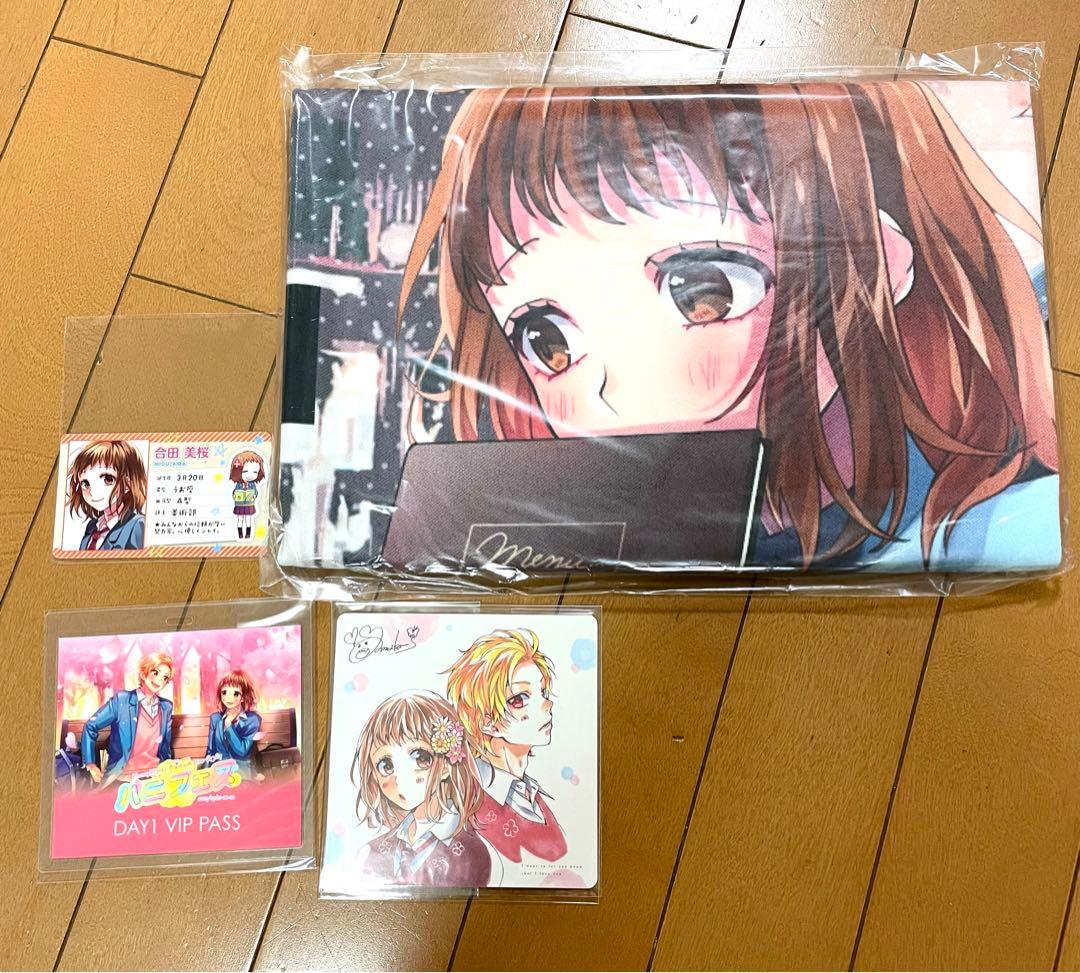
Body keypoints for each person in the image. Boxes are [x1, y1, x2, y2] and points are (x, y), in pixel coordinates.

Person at [397, 81, 1060, 572]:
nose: (608, 392)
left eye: (706, 296)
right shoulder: (590, 538)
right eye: (549, 341)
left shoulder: (1001, 530)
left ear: (879, 262)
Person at [445, 628, 566, 863]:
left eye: (543, 692)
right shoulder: (465, 805)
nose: (547, 704)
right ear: (486, 722)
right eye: (519, 699)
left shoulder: (536, 795)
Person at [352, 691, 491, 887]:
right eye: (386, 765)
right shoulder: (370, 854)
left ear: (446, 764)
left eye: (420, 757)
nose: (400, 777)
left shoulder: (472, 853)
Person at [81, 652, 173, 784]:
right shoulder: (122, 700)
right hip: (124, 778)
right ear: (143, 673)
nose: (160, 680)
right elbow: (91, 726)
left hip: (155, 778)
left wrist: (168, 771)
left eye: (165, 677)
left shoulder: (166, 707)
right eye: (155, 673)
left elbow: (165, 747)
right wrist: (90, 764)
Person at [66, 440, 147, 551]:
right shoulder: (92, 527)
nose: (93, 492)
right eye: (85, 483)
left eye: (108, 479)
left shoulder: (137, 525)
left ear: (128, 484)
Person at [206, 669, 262, 779]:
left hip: (242, 773)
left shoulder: (253, 719)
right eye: (224, 692)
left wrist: (228, 725)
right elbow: (211, 750)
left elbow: (242, 751)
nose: (228, 697)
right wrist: (206, 773)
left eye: (235, 694)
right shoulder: (215, 718)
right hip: (219, 774)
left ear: (243, 697)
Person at [229, 450, 265, 540]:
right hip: (239, 504)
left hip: (249, 504)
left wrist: (254, 496)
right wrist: (235, 496)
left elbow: (256, 492)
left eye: (255, 472)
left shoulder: (252, 485)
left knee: (248, 520)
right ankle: (240, 534)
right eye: (245, 471)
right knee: (240, 519)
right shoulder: (238, 484)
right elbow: (234, 492)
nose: (250, 475)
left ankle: (248, 534)